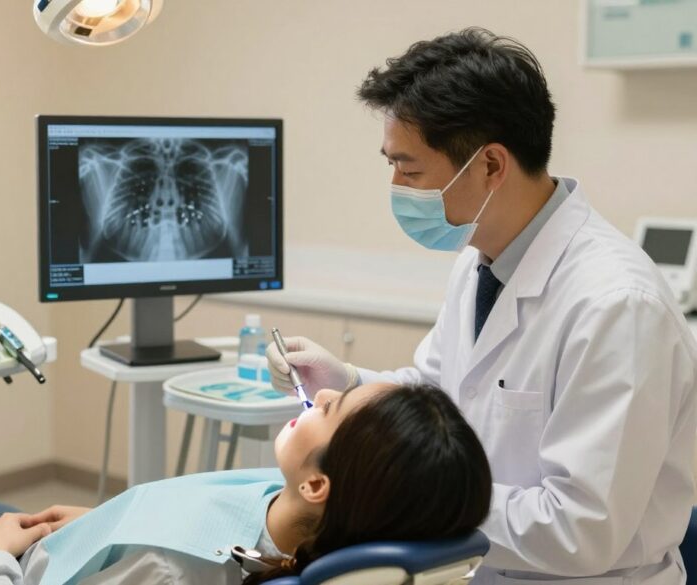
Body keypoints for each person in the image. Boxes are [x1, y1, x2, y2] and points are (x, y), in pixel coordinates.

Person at [267, 27, 697, 585]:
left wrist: (396, 493)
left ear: (491, 165)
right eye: (391, 165)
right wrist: (348, 381)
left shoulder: (618, 307)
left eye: (410, 169)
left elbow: (581, 530)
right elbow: (445, 394)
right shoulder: (482, 259)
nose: (396, 185)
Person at [0, 382, 491, 585]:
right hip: (80, 541)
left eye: (327, 408)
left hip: (1, 577)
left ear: (321, 486)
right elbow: (183, 513)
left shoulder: (175, 573)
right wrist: (114, 519)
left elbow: (168, 555)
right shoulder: (290, 518)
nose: (311, 398)